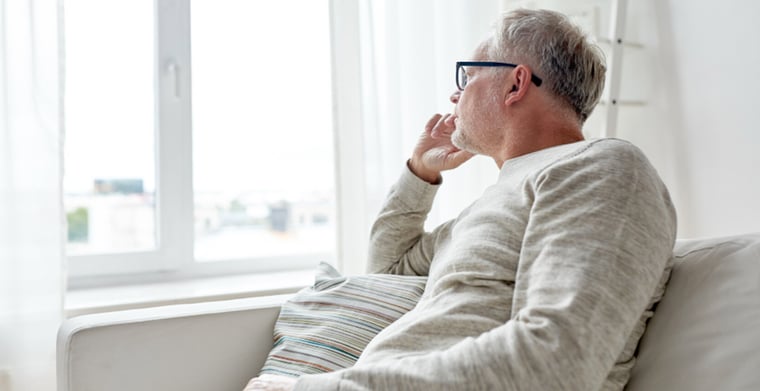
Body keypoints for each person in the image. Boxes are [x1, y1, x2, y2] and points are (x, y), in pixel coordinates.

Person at [246, 8, 676, 391]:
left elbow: (557, 361)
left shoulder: (600, 168)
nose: (455, 95)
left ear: (515, 83)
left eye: (467, 76)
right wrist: (420, 172)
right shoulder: (491, 206)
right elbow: (387, 273)